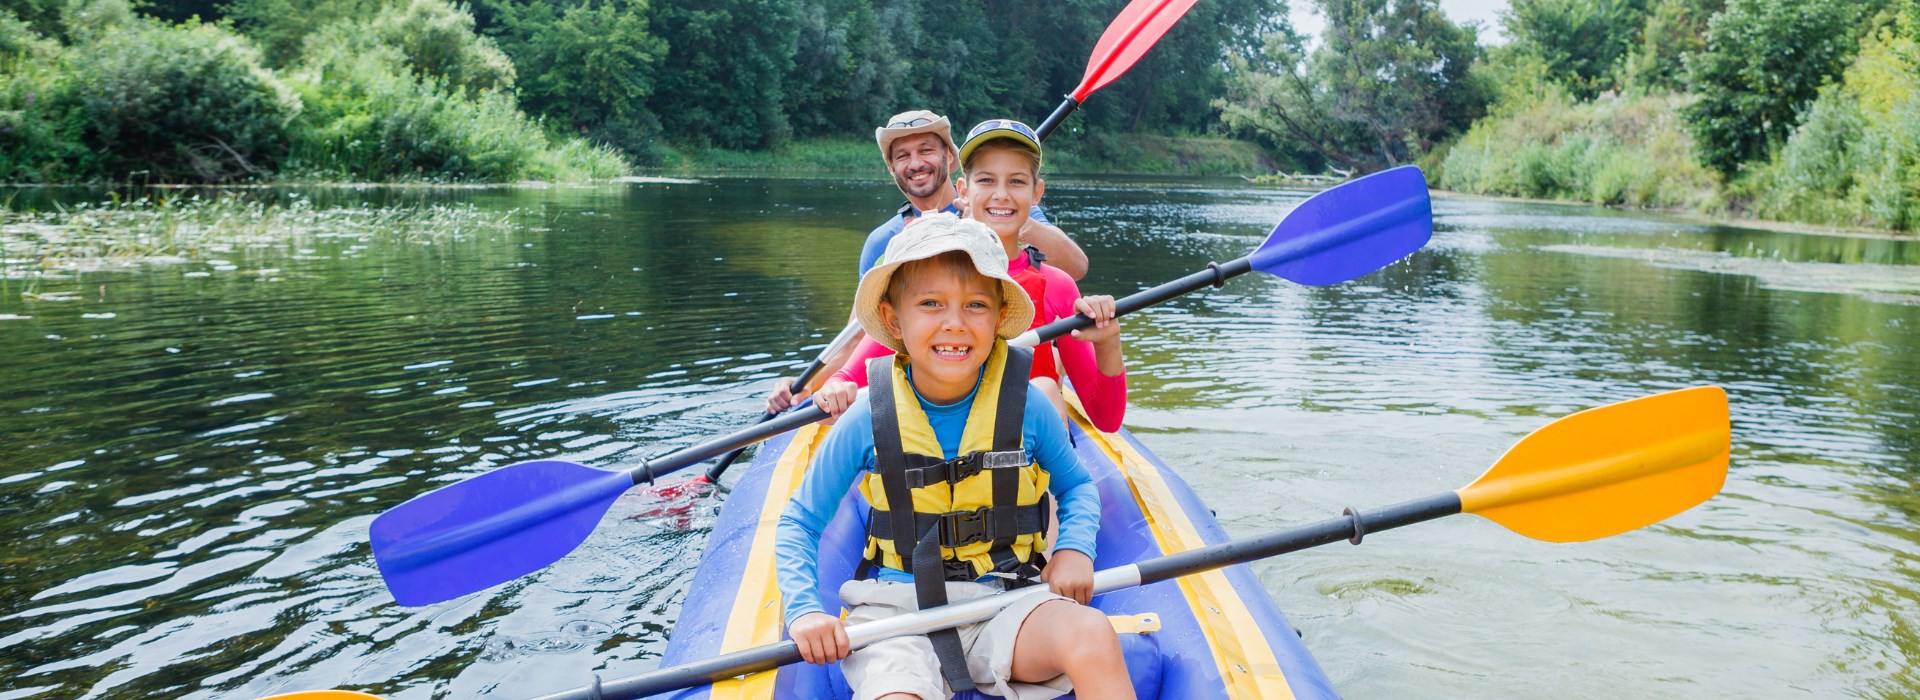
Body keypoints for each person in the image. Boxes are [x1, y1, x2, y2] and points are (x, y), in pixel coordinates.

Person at [774, 215, 1134, 700]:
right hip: (897, 614)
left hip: (1009, 596)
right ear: (895, 320)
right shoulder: (867, 416)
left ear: (997, 317)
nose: (955, 323)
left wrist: (1073, 549)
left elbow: (1076, 487)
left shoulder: (1027, 404)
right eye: (931, 304)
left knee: (1091, 633)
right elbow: (799, 521)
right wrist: (804, 611)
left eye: (976, 306)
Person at [811, 120, 1127, 433]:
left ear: (1036, 193)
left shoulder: (1057, 285)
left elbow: (1106, 419)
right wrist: (836, 388)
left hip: (1019, 465)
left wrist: (1108, 341)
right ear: (964, 189)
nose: (1001, 195)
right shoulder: (923, 273)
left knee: (1045, 387)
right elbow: (847, 378)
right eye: (987, 180)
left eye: (1016, 181)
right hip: (936, 455)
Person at [863, 110, 1087, 280]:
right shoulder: (881, 242)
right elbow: (860, 333)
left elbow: (1076, 267)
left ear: (950, 156)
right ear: (891, 167)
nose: (916, 163)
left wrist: (990, 219)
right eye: (902, 156)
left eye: (926, 150)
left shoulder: (1006, 205)